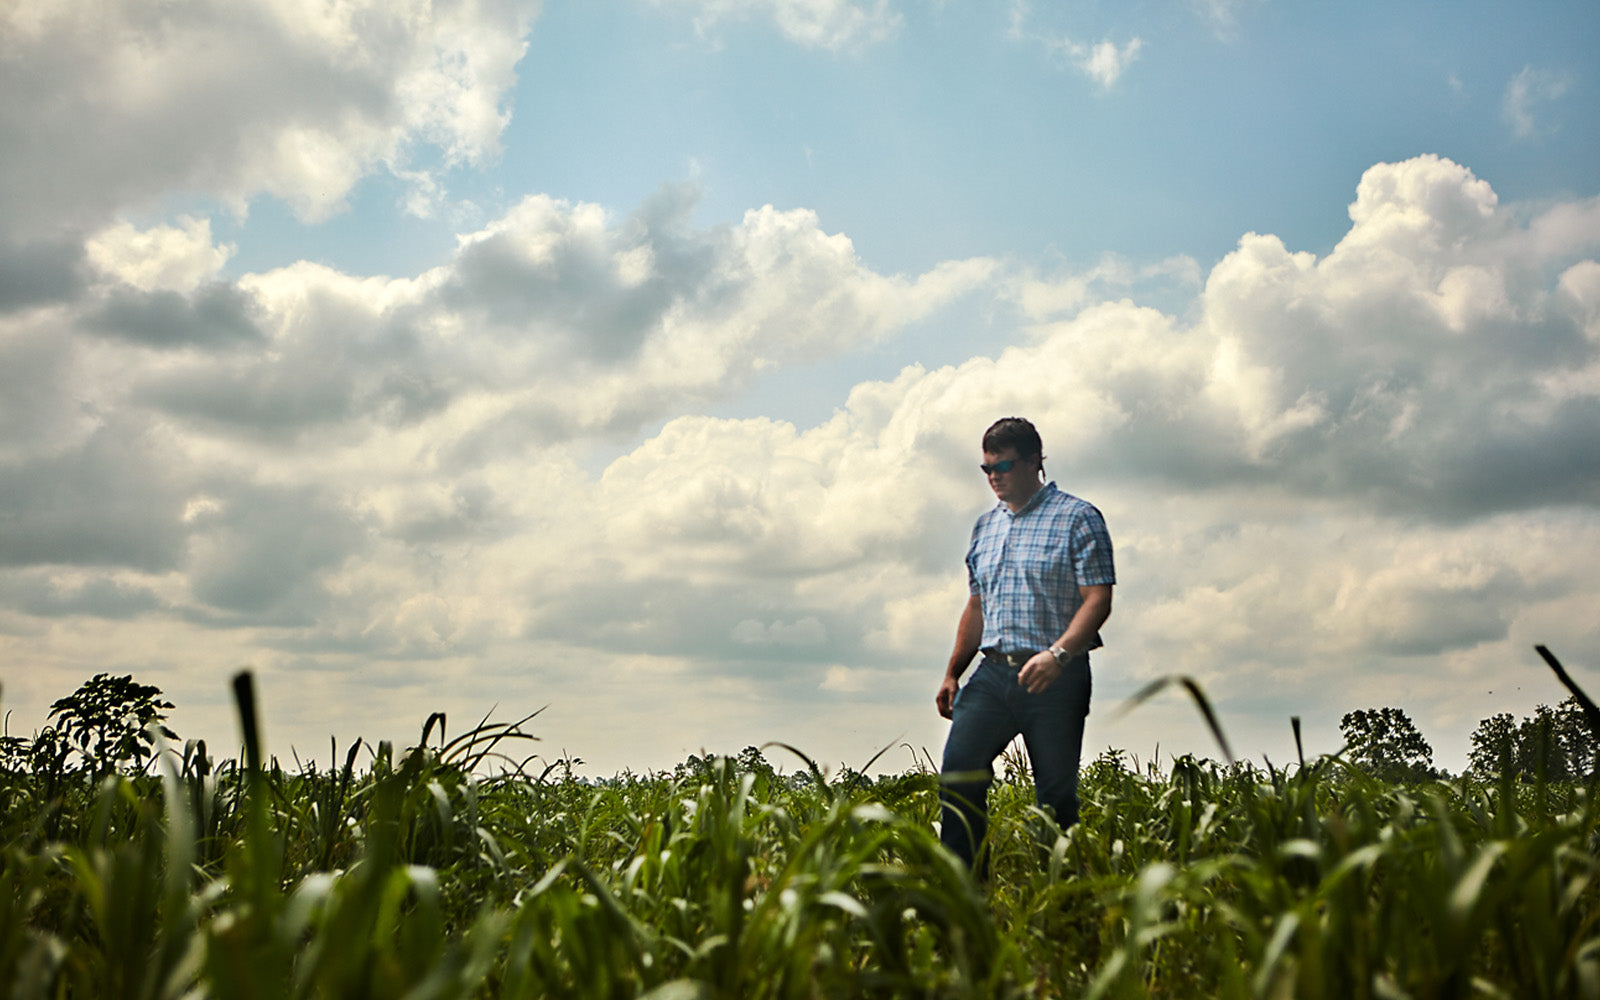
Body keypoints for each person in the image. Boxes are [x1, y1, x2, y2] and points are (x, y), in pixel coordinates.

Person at [936, 416, 1115, 872]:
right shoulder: (984, 528)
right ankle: (965, 896)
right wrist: (954, 671)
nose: (994, 476)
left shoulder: (1078, 518)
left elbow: (1097, 598)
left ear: (1036, 461)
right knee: (958, 775)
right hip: (993, 673)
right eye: (987, 469)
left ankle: (1063, 907)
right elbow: (976, 606)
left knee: (1055, 797)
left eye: (1004, 466)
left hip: (1056, 675)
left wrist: (1059, 655)